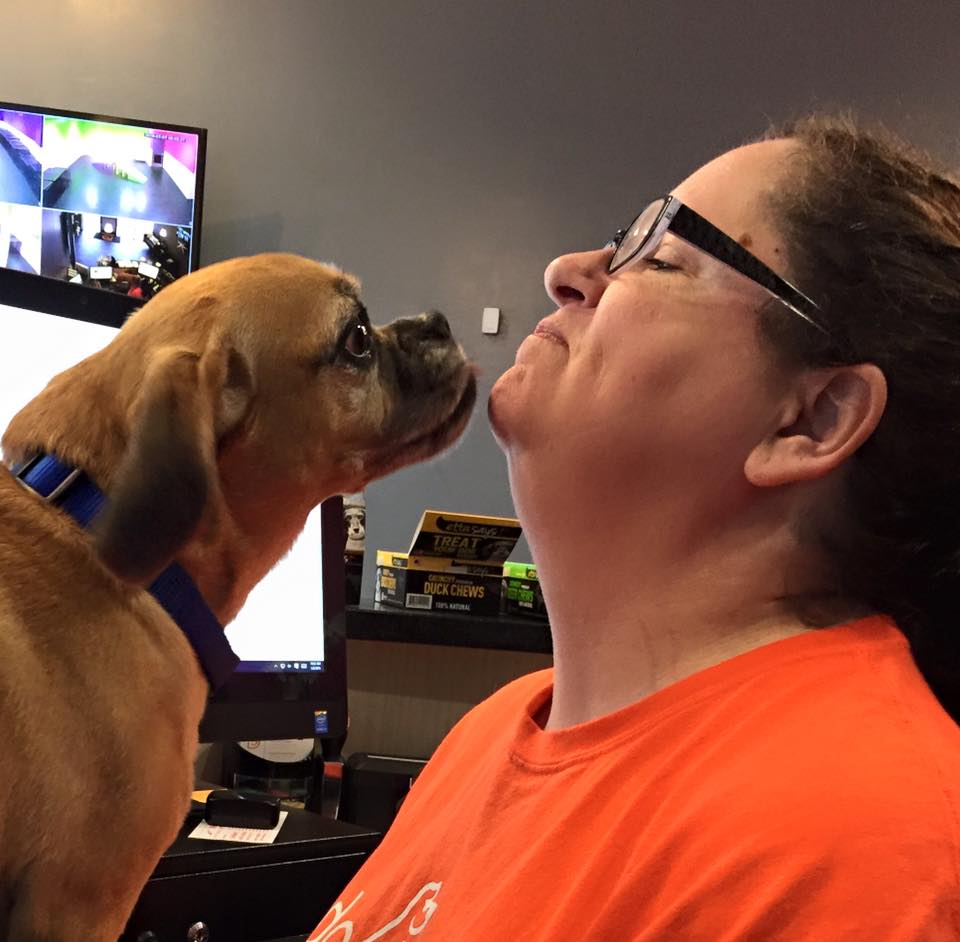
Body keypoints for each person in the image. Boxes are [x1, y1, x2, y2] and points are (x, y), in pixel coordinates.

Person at [309, 114, 960, 940]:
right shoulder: (495, 732)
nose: (565, 272)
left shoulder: (857, 848)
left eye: (661, 256)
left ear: (812, 420)